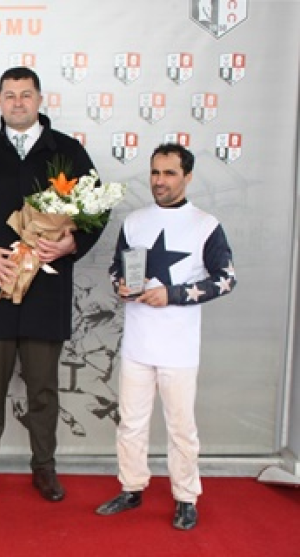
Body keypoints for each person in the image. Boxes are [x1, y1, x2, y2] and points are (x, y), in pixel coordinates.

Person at [0, 66, 104, 502]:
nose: (18, 102)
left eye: (26, 94)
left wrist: (72, 243)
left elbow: (97, 209)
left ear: (39, 99)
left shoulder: (67, 151)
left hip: (47, 289)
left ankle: (45, 468)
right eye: (10, 95)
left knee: (43, 388)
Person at [95, 143, 237, 530]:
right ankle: (131, 487)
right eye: (155, 172)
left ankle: (186, 497)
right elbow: (116, 268)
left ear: (187, 177)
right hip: (137, 343)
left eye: (169, 173)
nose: (160, 181)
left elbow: (226, 279)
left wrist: (173, 295)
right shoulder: (134, 221)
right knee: (131, 422)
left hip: (179, 346)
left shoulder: (205, 225)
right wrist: (121, 285)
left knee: (181, 427)